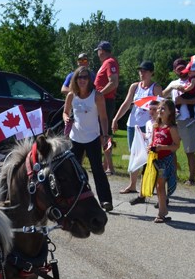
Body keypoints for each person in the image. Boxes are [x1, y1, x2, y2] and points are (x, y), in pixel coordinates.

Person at [63, 66, 113, 212]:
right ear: (75, 79)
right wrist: (66, 118)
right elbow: (65, 112)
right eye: (80, 77)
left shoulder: (97, 96)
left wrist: (105, 135)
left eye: (85, 77)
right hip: (75, 138)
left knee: (97, 169)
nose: (83, 80)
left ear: (90, 80)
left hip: (93, 137)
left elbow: (103, 117)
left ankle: (105, 200)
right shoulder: (71, 96)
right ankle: (72, 198)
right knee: (73, 170)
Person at [111, 61, 162, 193]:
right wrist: (116, 119)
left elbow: (161, 108)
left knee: (148, 155)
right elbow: (127, 103)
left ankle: (148, 185)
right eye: (140, 70)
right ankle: (132, 185)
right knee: (134, 154)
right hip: (132, 124)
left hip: (147, 126)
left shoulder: (156, 88)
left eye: (144, 71)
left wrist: (158, 124)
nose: (142, 73)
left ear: (151, 73)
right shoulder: (135, 87)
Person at [164, 58, 195, 185]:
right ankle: (173, 176)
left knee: (189, 151)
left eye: (182, 67)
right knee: (171, 150)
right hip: (174, 121)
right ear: (175, 70)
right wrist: (172, 87)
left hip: (189, 121)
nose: (181, 70)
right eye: (178, 68)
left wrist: (184, 101)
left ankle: (191, 179)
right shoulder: (174, 83)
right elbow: (162, 95)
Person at [150, 100, 181, 223]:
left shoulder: (172, 128)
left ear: (170, 112)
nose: (159, 110)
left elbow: (176, 145)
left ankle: (162, 212)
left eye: (163, 109)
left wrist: (162, 148)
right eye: (159, 108)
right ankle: (163, 210)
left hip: (165, 161)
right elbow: (153, 142)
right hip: (155, 159)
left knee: (160, 185)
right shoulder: (156, 126)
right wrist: (151, 147)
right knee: (158, 185)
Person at [94, 41, 120, 175]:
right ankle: (105, 165)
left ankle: (109, 167)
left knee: (104, 134)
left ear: (101, 51)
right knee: (102, 134)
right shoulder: (108, 62)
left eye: (98, 51)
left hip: (105, 101)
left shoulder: (109, 62)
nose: (98, 55)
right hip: (104, 101)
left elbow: (114, 82)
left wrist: (99, 94)